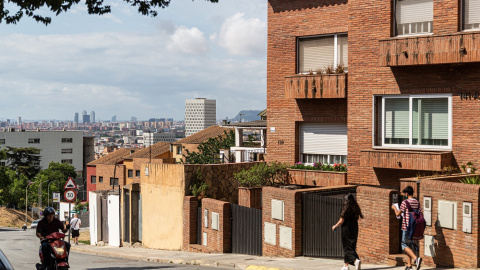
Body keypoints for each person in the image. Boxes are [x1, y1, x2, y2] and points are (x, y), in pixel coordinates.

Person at [391, 186, 423, 270]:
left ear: (406, 193)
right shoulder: (417, 202)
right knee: (409, 246)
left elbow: (398, 214)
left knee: (404, 244)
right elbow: (421, 212)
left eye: (405, 193)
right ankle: (409, 265)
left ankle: (416, 259)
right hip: (414, 227)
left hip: (406, 227)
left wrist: (394, 208)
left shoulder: (405, 202)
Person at [332, 193, 364, 270]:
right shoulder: (355, 208)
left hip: (346, 230)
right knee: (351, 247)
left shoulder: (344, 209)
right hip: (354, 229)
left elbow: (341, 220)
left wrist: (335, 226)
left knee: (346, 248)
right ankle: (346, 266)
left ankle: (355, 260)